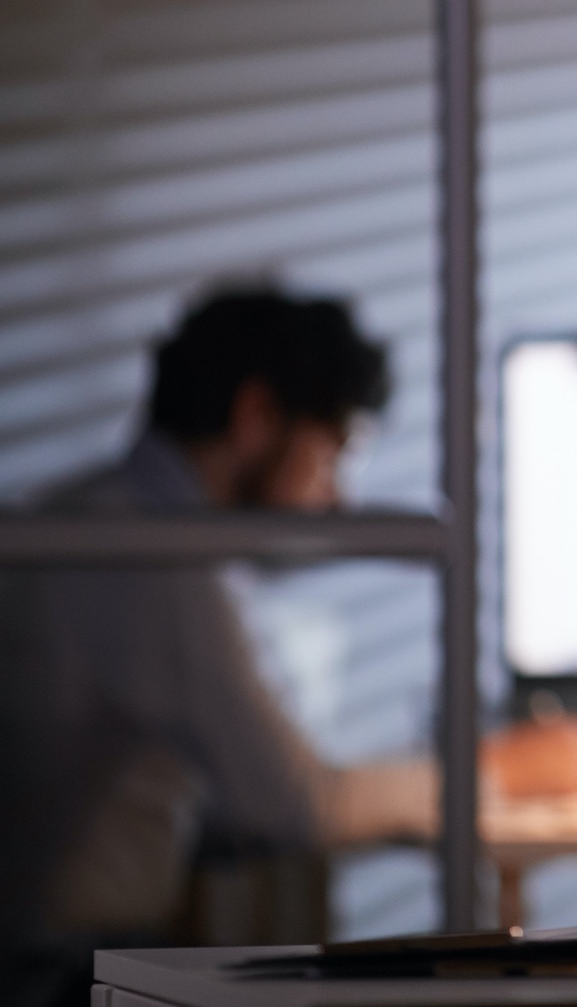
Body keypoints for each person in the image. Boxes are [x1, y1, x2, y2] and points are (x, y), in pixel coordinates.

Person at [0, 289, 437, 991]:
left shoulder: (97, 513)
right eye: (333, 452)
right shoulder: (151, 558)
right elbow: (297, 806)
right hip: (59, 978)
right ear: (257, 416)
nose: (337, 498)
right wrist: (490, 774)